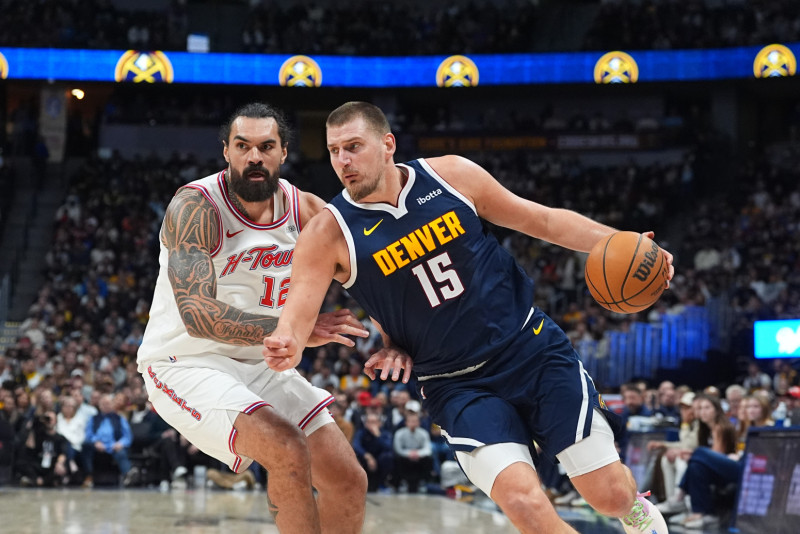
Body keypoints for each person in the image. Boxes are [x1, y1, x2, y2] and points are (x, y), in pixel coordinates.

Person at [262, 101, 675, 534]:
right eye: (333, 151)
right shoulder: (328, 232)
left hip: (529, 347)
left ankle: (634, 509)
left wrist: (626, 243)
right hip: (455, 384)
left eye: (353, 147)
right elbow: (296, 318)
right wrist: (285, 340)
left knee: (609, 496)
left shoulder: (450, 176)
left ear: (387, 145)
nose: (343, 161)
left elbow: (542, 220)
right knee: (522, 501)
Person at [136, 102, 369, 533]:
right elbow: (198, 315)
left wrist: (396, 338)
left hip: (261, 363)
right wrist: (297, 330)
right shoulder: (196, 207)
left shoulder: (306, 211)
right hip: (185, 362)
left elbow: (372, 276)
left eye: (266, 146)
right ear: (226, 151)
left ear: (284, 153)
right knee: (286, 447)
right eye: (243, 146)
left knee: (347, 480)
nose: (254, 157)